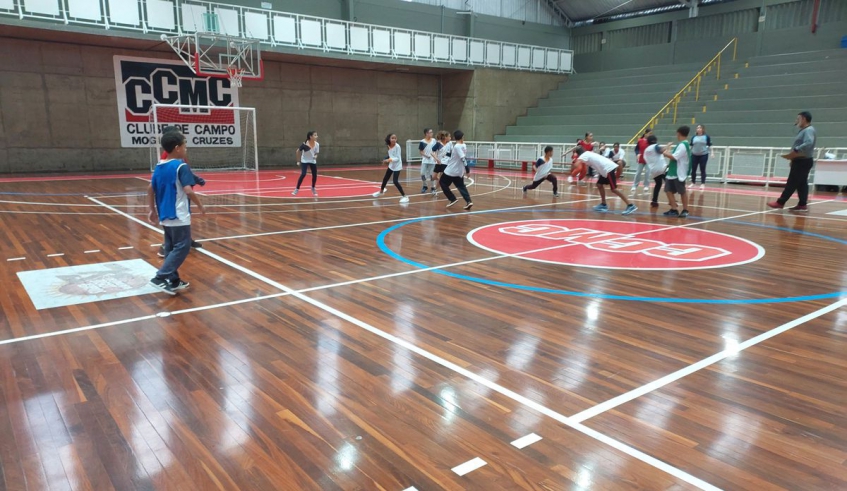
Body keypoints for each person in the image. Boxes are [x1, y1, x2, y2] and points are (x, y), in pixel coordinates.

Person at [147, 130, 205, 294]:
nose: (186, 148)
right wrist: (200, 206)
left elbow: (150, 188)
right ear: (178, 147)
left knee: (171, 248)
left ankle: (173, 280)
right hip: (179, 214)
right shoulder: (181, 166)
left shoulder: (160, 165)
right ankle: (160, 277)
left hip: (164, 214)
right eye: (185, 145)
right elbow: (188, 190)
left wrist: (151, 209)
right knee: (183, 246)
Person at [157, 126, 204, 257]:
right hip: (176, 191)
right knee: (176, 218)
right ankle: (165, 246)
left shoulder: (178, 154)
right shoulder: (170, 155)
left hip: (182, 187)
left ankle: (188, 239)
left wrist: (193, 178)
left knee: (185, 215)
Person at [768, 111, 816, 212]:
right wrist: (793, 158)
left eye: (798, 119)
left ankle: (780, 202)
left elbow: (808, 143)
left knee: (792, 182)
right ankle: (802, 204)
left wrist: (796, 149)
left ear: (803, 118)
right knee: (801, 183)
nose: (796, 121)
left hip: (803, 161)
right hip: (801, 160)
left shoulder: (808, 130)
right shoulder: (805, 130)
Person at [573, 147, 637, 215]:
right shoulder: (587, 153)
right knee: (599, 185)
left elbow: (576, 165)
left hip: (608, 169)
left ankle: (630, 205)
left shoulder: (584, 155)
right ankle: (603, 204)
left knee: (614, 189)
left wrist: (574, 159)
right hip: (604, 170)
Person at [661, 125, 692, 218]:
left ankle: (685, 209)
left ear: (678, 133)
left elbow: (674, 157)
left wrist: (664, 152)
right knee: (668, 190)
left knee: (682, 191)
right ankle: (674, 209)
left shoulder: (683, 145)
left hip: (678, 172)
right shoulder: (682, 144)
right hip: (672, 171)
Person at [440, 130, 473, 210]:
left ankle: (452, 198)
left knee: (442, 183)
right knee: (461, 186)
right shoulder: (463, 145)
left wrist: (467, 170)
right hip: (459, 171)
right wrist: (447, 154)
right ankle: (469, 201)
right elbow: (456, 155)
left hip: (451, 170)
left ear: (454, 138)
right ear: (462, 137)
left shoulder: (457, 146)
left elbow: (463, 158)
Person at [372, 133, 409, 203]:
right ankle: (381, 191)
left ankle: (405, 196)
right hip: (391, 165)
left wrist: (388, 160)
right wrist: (385, 159)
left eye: (395, 138)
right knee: (385, 178)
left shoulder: (398, 147)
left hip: (397, 165)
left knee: (395, 181)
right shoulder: (388, 145)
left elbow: (397, 158)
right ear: (389, 139)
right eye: (392, 138)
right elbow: (390, 155)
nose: (394, 139)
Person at [642, 134, 667, 208]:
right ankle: (672, 200)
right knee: (669, 183)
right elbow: (661, 151)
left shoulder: (646, 151)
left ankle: (654, 201)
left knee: (658, 184)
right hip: (662, 168)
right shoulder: (655, 146)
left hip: (653, 170)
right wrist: (667, 146)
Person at [292, 130, 320, 196]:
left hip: (312, 161)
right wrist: (298, 161)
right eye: (315, 135)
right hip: (304, 160)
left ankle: (313, 188)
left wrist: (315, 156)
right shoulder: (305, 144)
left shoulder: (317, 144)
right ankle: (297, 189)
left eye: (316, 135)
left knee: (315, 175)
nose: (316, 136)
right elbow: (297, 151)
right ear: (310, 137)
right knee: (303, 174)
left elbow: (316, 153)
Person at [688, 124, 712, 190]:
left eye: (700, 128)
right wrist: (688, 153)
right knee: (693, 169)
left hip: (703, 155)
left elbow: (710, 145)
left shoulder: (706, 137)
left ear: (702, 129)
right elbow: (691, 146)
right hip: (694, 155)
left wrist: (712, 153)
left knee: (702, 169)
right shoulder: (694, 137)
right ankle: (693, 182)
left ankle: (702, 183)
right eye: (697, 128)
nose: (698, 129)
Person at [631, 128, 653, 196]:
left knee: (647, 173)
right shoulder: (640, 140)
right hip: (641, 159)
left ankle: (646, 185)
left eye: (651, 134)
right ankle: (634, 185)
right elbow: (636, 149)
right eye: (649, 133)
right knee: (638, 173)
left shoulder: (651, 141)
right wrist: (637, 154)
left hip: (648, 160)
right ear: (645, 133)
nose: (650, 135)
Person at [431, 130, 452, 196]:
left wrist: (448, 155)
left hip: (446, 163)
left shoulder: (450, 143)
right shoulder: (438, 144)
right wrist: (436, 158)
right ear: (445, 137)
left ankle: (435, 189)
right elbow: (432, 152)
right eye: (449, 136)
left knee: (442, 178)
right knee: (433, 177)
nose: (450, 138)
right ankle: (442, 183)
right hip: (438, 162)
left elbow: (452, 153)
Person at [418, 128, 437, 194]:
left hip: (432, 161)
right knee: (422, 174)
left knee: (432, 175)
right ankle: (425, 186)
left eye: (432, 132)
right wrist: (426, 156)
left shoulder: (434, 141)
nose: (432, 133)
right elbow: (421, 152)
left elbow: (435, 150)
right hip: (425, 160)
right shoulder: (422, 141)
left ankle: (433, 187)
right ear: (426, 133)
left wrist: (435, 157)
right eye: (430, 132)